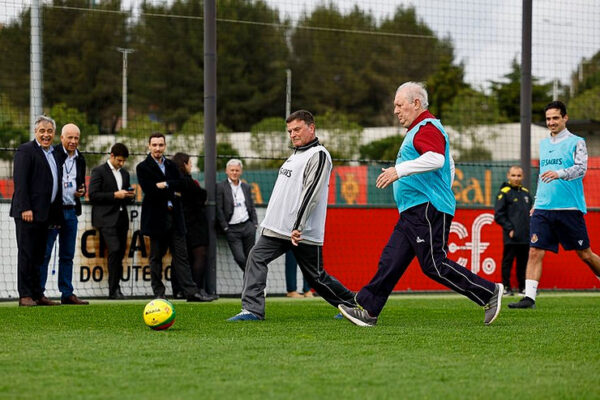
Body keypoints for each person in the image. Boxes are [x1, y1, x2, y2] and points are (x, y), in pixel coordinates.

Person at [338, 82, 503, 327]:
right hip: (414, 210)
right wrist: (441, 186)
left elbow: (436, 159)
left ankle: (488, 292)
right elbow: (450, 163)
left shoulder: (426, 126)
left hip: (426, 208)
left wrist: (399, 171)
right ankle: (369, 311)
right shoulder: (420, 130)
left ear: (416, 103)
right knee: (391, 260)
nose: (395, 111)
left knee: (434, 265)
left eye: (399, 105)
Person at [228, 110, 356, 321]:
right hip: (279, 229)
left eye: (297, 129)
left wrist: (299, 225)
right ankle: (252, 310)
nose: (293, 135)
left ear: (311, 127)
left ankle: (351, 305)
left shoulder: (319, 155)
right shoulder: (295, 155)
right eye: (289, 131)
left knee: (316, 277)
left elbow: (311, 193)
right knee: (256, 257)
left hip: (301, 231)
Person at [509, 101, 600, 309]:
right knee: (534, 251)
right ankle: (529, 298)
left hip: (569, 209)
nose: (551, 122)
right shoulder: (543, 144)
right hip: (543, 209)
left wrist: (559, 173)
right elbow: (543, 177)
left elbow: (581, 169)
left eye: (555, 118)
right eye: (548, 119)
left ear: (565, 118)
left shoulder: (577, 142)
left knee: (585, 254)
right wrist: (537, 202)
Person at [136, 133, 211, 302]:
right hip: (156, 221)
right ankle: (159, 292)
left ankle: (191, 292)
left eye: (160, 145)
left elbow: (182, 184)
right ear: (149, 146)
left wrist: (167, 184)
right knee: (156, 258)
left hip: (175, 219)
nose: (157, 148)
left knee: (181, 257)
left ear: (165, 146)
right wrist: (171, 188)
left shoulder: (170, 165)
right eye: (154, 145)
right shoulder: (143, 167)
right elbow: (150, 190)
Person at [10, 115, 63, 306]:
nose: (46, 135)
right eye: (42, 131)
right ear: (35, 132)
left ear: (54, 133)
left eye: (49, 131)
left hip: (45, 215)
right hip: (27, 214)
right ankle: (25, 295)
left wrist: (55, 215)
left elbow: (55, 186)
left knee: (40, 255)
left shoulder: (55, 154)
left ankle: (37, 293)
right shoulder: (26, 150)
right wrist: (25, 207)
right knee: (26, 254)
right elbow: (20, 182)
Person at [39, 123, 89, 305]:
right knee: (45, 253)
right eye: (70, 137)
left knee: (67, 255)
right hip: (54, 213)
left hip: (71, 212)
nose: (73, 141)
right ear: (61, 138)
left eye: (76, 138)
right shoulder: (52, 155)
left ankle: (67, 293)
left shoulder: (81, 159)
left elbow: (79, 183)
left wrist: (80, 192)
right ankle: (39, 292)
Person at [89, 143, 135, 299]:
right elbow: (93, 195)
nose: (121, 164)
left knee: (120, 253)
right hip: (106, 219)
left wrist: (130, 196)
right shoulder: (98, 171)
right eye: (119, 160)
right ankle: (113, 290)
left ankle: (116, 289)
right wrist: (115, 195)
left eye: (123, 161)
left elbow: (126, 196)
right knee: (115, 250)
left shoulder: (125, 174)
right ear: (112, 156)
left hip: (122, 219)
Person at [171, 152, 217, 301]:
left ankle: (179, 290)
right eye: (190, 163)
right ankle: (195, 289)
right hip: (194, 224)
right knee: (199, 255)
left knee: (182, 258)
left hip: (181, 223)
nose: (191, 166)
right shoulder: (187, 181)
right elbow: (201, 195)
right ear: (184, 164)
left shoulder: (173, 180)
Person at [494, 166, 532, 296]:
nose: (516, 178)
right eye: (513, 175)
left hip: (526, 235)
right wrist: (509, 228)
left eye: (519, 176)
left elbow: (531, 213)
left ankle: (523, 287)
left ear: (523, 177)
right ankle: (506, 287)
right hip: (511, 236)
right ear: (508, 176)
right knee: (508, 262)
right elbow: (499, 215)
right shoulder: (504, 192)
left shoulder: (526, 193)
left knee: (524, 262)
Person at [216, 159, 258, 271]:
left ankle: (251, 283)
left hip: (248, 227)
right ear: (227, 171)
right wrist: (225, 227)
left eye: (237, 170)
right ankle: (252, 278)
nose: (234, 172)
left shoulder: (246, 187)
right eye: (232, 170)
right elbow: (218, 209)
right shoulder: (221, 187)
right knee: (239, 258)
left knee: (251, 257)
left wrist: (254, 224)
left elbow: (251, 206)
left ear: (241, 172)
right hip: (232, 230)